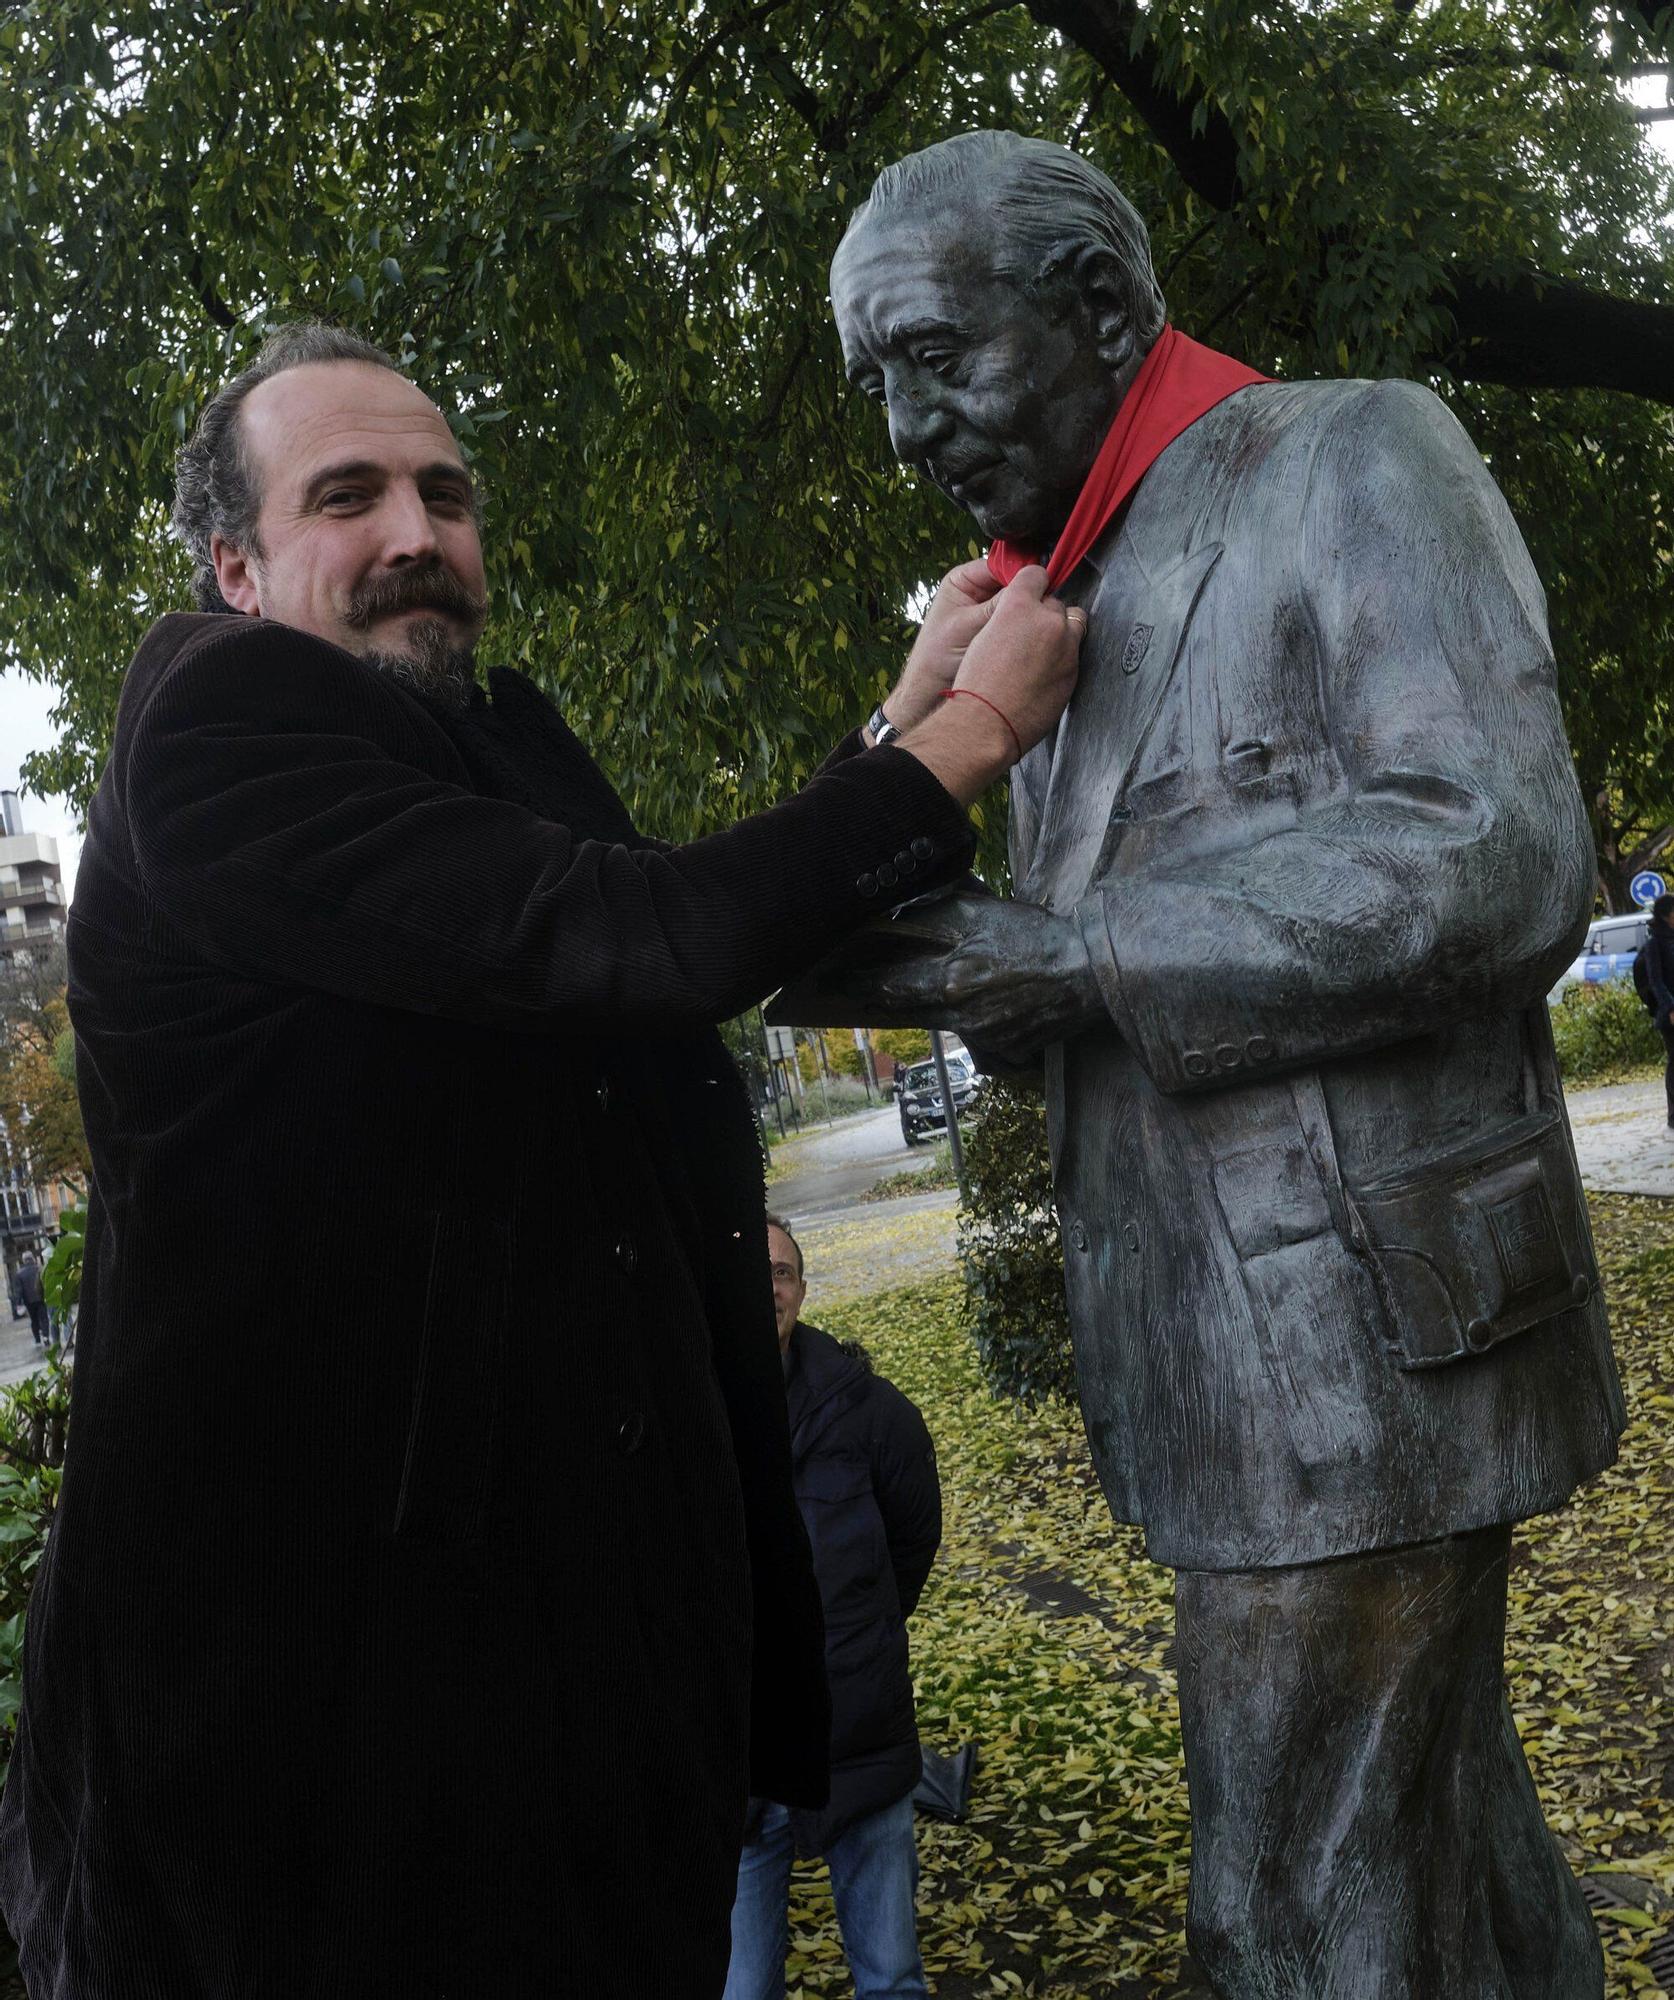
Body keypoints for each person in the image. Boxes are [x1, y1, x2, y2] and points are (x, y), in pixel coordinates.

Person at [0, 321, 1084, 1998]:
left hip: (564, 1715)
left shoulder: (485, 742)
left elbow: (636, 964)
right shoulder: (217, 720)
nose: (416, 534)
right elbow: (629, 940)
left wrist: (898, 717)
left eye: (446, 492)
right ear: (233, 565)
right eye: (344, 498)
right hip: (320, 1747)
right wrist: (968, 746)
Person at [800, 131, 1625, 1998]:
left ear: (1094, 306)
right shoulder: (1045, 603)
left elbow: (1494, 847)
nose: (904, 426)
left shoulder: (1349, 455)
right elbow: (983, 969)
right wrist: (917, 738)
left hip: (1369, 1352)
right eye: (874, 383)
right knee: (1448, 1861)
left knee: (1285, 1901)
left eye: (934, 353)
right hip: (1224, 1378)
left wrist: (1078, 957)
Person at [723, 1216, 940, 2000]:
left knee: (890, 1978)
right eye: (748, 1271)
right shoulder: (692, 1416)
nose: (766, 1288)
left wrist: (859, 1636)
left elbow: (911, 1544)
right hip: (741, 1763)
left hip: (859, 1742)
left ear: (803, 1290)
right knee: (743, 1990)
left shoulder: (871, 1412)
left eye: (780, 1272)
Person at [1633, 891, 1674, 1128]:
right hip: (1669, 1014)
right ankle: (1673, 1115)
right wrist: (1669, 1007)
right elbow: (1656, 980)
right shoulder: (1654, 944)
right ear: (1665, 915)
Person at [14, 1252, 47, 1346]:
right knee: (44, 1319)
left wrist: (18, 1303)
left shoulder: (20, 1273)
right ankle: (46, 1337)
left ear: (24, 1261)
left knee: (34, 1320)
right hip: (40, 1298)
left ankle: (37, 1339)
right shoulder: (39, 1269)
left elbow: (19, 1290)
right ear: (32, 1258)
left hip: (29, 1301)